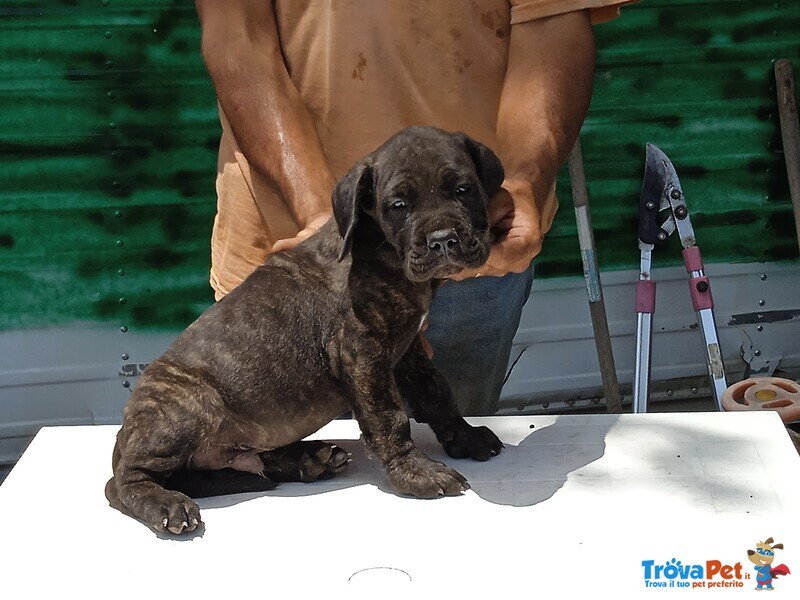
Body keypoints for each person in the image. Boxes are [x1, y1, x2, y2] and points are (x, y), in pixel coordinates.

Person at [194, 0, 632, 415]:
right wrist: (325, 225)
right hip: (303, 257)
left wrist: (524, 183)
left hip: (472, 258)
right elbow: (239, 40)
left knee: (455, 452)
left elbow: (552, 21)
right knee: (283, 463)